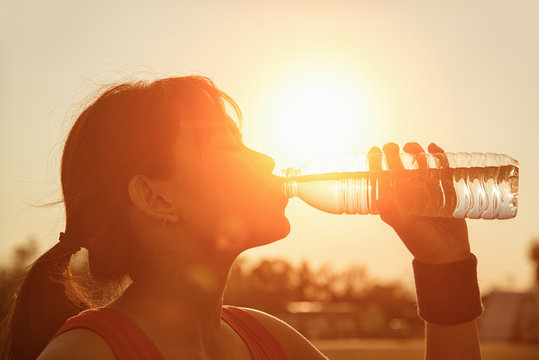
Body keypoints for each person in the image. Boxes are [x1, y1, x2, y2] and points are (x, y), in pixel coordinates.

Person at [2, 76, 482, 360]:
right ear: (155, 197)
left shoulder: (271, 342)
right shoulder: (88, 357)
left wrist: (445, 266)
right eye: (228, 144)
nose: (267, 161)